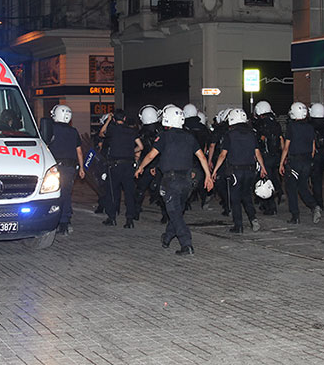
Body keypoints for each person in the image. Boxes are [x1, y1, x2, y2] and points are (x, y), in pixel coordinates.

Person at [135, 105, 213, 255]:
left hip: (171, 181)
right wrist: (208, 176)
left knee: (175, 213)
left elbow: (151, 155)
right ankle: (167, 237)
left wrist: (140, 168)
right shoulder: (189, 137)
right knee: (177, 211)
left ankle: (186, 243)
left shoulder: (164, 136)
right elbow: (202, 157)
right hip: (187, 182)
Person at [211, 108, 266, 233]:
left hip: (236, 171)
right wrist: (263, 167)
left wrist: (214, 171)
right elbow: (257, 153)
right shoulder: (251, 134)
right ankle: (253, 218)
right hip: (250, 170)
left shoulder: (230, 135)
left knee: (235, 199)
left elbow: (223, 155)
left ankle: (238, 225)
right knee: (247, 195)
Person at [46, 105, 86, 236]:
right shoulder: (73, 131)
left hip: (55, 167)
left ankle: (52, 220)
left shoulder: (50, 129)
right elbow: (79, 152)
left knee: (51, 194)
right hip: (69, 168)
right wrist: (81, 168)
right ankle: (65, 222)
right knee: (66, 194)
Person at [99, 109, 142, 228]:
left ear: (114, 119)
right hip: (128, 165)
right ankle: (129, 220)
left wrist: (107, 121)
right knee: (129, 192)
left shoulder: (112, 130)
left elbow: (101, 133)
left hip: (115, 165)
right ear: (124, 119)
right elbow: (141, 146)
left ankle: (112, 217)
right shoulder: (132, 131)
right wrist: (130, 152)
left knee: (113, 191)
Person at [279, 101, 318, 224]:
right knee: (303, 186)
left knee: (291, 188)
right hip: (307, 160)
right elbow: (313, 148)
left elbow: (286, 147)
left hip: (295, 160)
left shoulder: (292, 127)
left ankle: (295, 215)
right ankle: (313, 205)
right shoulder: (310, 127)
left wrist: (281, 163)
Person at [253, 101, 284, 215]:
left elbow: (259, 141)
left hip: (265, 156)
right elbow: (281, 139)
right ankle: (279, 192)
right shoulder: (275, 123)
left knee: (264, 181)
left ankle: (270, 207)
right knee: (273, 176)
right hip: (276, 155)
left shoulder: (260, 124)